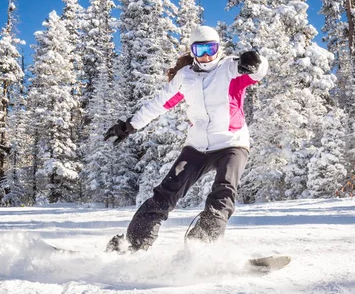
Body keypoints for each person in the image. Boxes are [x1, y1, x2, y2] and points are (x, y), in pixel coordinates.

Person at [104, 25, 268, 252]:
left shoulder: (231, 68)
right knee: (166, 192)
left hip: (232, 143)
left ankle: (200, 246)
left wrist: (256, 61)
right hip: (197, 147)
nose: (206, 55)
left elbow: (258, 72)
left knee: (224, 192)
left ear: (219, 48)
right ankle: (134, 243)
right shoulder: (185, 77)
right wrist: (129, 126)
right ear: (192, 51)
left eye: (211, 48)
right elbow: (158, 104)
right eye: (200, 50)